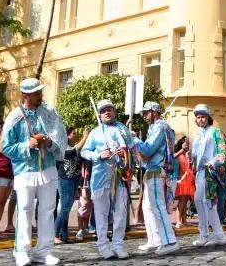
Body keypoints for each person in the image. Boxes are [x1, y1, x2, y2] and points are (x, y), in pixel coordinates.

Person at [1, 77, 67, 266]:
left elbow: (59, 135)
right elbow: (6, 146)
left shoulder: (49, 112)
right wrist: (27, 145)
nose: (40, 95)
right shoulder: (14, 116)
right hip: (25, 170)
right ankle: (21, 250)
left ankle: (44, 251)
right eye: (36, 93)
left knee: (47, 210)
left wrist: (49, 142)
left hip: (47, 168)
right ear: (25, 95)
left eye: (40, 92)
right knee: (24, 209)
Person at [79, 100, 133, 259]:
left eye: (109, 109)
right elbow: (84, 152)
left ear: (114, 112)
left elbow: (132, 148)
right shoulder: (95, 132)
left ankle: (118, 244)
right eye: (103, 111)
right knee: (101, 214)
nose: (107, 112)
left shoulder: (123, 129)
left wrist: (124, 152)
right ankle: (102, 245)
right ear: (100, 115)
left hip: (121, 176)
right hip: (100, 177)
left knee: (121, 212)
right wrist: (99, 155)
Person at [133, 101, 180, 255]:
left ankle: (169, 240)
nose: (144, 115)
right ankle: (155, 239)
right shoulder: (157, 127)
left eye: (146, 112)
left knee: (157, 206)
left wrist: (134, 139)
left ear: (154, 111)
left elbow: (148, 149)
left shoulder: (160, 126)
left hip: (156, 170)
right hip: (153, 170)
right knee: (148, 207)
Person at [190, 104, 226, 247]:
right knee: (201, 201)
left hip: (209, 171)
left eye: (203, 116)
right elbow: (195, 156)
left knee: (207, 202)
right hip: (199, 173)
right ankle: (212, 234)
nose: (200, 119)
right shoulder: (198, 135)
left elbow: (223, 152)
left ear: (208, 117)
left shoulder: (215, 131)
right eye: (198, 117)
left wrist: (213, 163)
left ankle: (211, 234)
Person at [54, 126, 88, 244]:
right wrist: (85, 137)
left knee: (66, 208)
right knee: (64, 208)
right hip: (65, 179)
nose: (75, 135)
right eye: (73, 133)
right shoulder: (61, 146)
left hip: (73, 179)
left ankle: (63, 235)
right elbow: (72, 152)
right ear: (67, 135)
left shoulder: (71, 146)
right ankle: (54, 234)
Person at [173, 136, 194, 228]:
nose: (187, 146)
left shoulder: (186, 156)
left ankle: (184, 220)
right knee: (181, 202)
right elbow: (173, 158)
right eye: (185, 144)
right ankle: (178, 221)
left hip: (187, 181)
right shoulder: (179, 155)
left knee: (185, 202)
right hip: (181, 181)